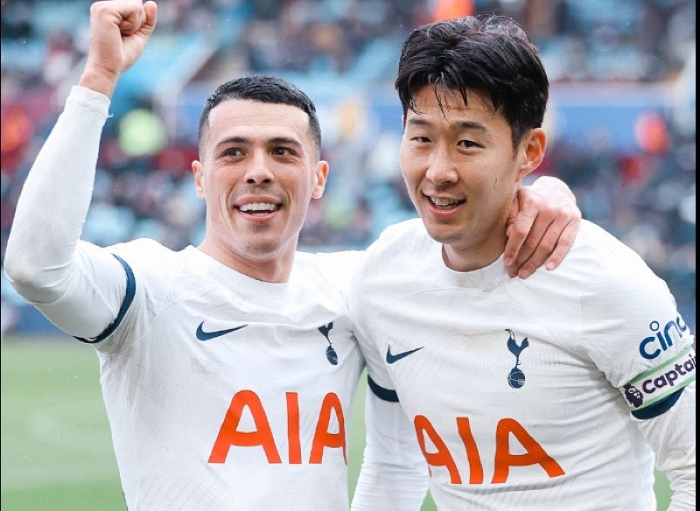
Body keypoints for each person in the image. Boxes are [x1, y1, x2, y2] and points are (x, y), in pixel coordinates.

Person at [3, 2, 582, 510]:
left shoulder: (358, 287)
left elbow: (469, 247)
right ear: (200, 177)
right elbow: (34, 267)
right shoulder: (150, 290)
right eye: (234, 152)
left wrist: (543, 194)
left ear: (319, 177)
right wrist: (99, 79)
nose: (258, 171)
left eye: (282, 151)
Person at [349, 15, 696, 511]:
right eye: (421, 138)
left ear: (529, 151)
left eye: (468, 143)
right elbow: (392, 467)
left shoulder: (605, 281)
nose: (439, 171)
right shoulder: (380, 276)